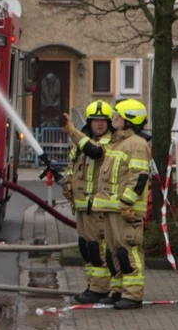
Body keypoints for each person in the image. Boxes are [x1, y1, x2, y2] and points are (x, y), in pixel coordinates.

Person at [93, 98, 152, 309]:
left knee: (128, 251)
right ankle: (118, 290)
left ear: (129, 119)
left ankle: (133, 295)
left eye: (118, 115)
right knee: (113, 252)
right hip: (113, 208)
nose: (114, 118)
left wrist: (127, 201)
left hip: (126, 209)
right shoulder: (118, 142)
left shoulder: (137, 144)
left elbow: (139, 177)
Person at [60, 101, 115, 304]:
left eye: (103, 120)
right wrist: (68, 187)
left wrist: (73, 132)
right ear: (89, 123)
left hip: (97, 206)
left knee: (96, 248)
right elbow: (73, 168)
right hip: (82, 206)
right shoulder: (81, 144)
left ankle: (100, 289)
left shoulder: (109, 143)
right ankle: (92, 285)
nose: (99, 124)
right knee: (85, 247)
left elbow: (94, 151)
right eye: (95, 120)